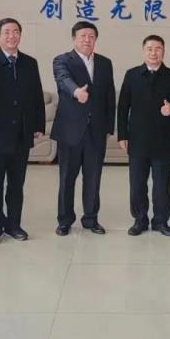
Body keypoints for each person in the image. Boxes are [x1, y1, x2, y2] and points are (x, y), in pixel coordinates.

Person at [0, 18, 45, 244]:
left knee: (17, 184)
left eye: (16, 32)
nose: (11, 36)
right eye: (6, 32)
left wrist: (38, 125)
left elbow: (36, 95)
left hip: (21, 134)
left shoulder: (29, 63)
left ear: (20, 36)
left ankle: (14, 225)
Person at [51, 22, 115, 236]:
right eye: (82, 35)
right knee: (67, 178)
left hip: (96, 131)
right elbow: (63, 80)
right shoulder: (62, 60)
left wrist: (109, 127)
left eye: (91, 36)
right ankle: (64, 219)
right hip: (70, 130)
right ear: (74, 38)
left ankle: (91, 218)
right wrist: (76, 91)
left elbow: (109, 96)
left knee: (93, 177)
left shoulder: (105, 63)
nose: (87, 39)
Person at [117, 35, 170, 237]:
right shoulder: (132, 75)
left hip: (163, 139)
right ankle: (140, 219)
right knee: (137, 184)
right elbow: (123, 106)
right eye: (150, 48)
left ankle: (161, 221)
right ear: (143, 51)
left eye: (158, 48)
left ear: (164, 51)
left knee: (162, 184)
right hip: (137, 138)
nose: (154, 52)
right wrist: (122, 135)